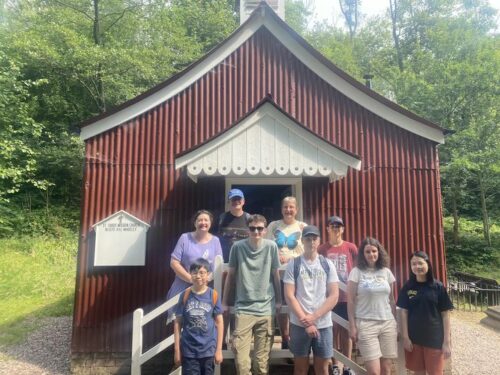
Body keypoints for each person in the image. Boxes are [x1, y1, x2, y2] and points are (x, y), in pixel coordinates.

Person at [222, 214, 282, 375]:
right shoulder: (237, 247)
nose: (256, 231)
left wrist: (279, 300)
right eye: (252, 228)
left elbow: (276, 275)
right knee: (242, 364)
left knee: (261, 365)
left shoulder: (271, 247)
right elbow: (231, 276)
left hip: (266, 309)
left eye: (260, 228)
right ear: (247, 230)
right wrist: (224, 301)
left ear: (265, 230)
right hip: (244, 309)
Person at [284, 225, 339, 375]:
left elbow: (334, 295)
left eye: (314, 238)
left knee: (322, 369)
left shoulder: (327, 264)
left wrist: (313, 318)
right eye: (308, 239)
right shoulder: (294, 264)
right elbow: (289, 295)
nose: (311, 242)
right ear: (302, 241)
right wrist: (306, 321)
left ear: (319, 240)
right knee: (300, 369)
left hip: (323, 324)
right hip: (299, 324)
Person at [397, 250, 453, 375]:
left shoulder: (438, 287)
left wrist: (446, 342)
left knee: (435, 372)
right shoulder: (408, 287)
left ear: (428, 264)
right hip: (414, 339)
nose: (417, 267)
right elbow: (403, 312)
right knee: (418, 372)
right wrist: (405, 338)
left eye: (420, 263)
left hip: (434, 339)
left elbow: (445, 315)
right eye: (413, 264)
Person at [347, 237, 397, 375]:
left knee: (386, 369)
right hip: (365, 323)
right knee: (374, 372)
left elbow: (392, 299)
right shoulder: (356, 272)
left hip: (387, 322)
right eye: (367, 251)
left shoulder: (386, 272)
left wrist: (396, 322)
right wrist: (352, 326)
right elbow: (350, 300)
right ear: (363, 254)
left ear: (379, 252)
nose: (371, 254)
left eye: (374, 251)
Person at [318, 216, 357, 375]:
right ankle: (336, 364)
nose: (336, 228)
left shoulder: (350, 247)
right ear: (327, 228)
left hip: (346, 297)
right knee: (331, 330)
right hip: (329, 297)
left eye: (339, 226)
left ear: (343, 229)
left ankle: (347, 365)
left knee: (346, 332)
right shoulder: (322, 249)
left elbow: (356, 269)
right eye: (332, 225)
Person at [266, 196, 307, 348]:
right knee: (280, 306)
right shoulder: (274, 226)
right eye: (285, 207)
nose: (288, 210)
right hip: (276, 274)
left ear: (296, 209)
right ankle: (285, 338)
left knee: (296, 305)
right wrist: (276, 257)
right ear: (282, 209)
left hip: (296, 274)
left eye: (291, 207)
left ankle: (296, 339)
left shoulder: (302, 227)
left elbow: (307, 250)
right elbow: (266, 245)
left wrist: (292, 257)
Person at [173, 258, 224, 375]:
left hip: (208, 350)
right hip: (189, 351)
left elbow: (219, 322)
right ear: (190, 274)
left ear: (208, 275)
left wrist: (219, 350)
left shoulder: (213, 295)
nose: (198, 276)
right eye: (194, 272)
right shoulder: (185, 295)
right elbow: (177, 323)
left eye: (202, 272)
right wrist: (177, 350)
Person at [166, 210, 223, 312]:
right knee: (179, 322)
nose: (203, 223)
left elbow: (219, 265)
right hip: (183, 287)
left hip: (205, 288)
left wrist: (207, 279)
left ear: (210, 223)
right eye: (200, 220)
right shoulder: (185, 238)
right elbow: (174, 262)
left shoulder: (215, 241)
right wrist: (191, 279)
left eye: (206, 220)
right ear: (195, 223)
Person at [215, 188, 251, 262]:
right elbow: (214, 239)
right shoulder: (221, 218)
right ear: (228, 202)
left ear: (243, 201)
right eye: (233, 199)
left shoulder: (249, 219)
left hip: (244, 261)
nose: (236, 201)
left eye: (239, 199)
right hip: (225, 261)